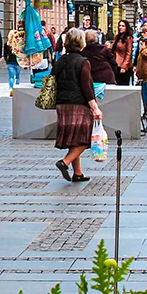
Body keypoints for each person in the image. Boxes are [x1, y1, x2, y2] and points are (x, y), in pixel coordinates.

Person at [52, 30, 102, 183]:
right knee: (86, 138)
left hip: (62, 104)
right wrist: (95, 107)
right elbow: (86, 87)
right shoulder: (83, 62)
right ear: (81, 42)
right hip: (78, 104)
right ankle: (64, 162)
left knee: (74, 139)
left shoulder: (60, 61)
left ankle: (78, 173)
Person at [80, 29, 116, 97]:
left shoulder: (82, 52)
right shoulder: (103, 49)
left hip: (92, 81)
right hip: (108, 78)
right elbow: (113, 63)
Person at [111, 19, 135, 86]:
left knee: (123, 85)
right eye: (120, 25)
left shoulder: (128, 38)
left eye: (123, 26)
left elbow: (129, 53)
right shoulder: (116, 37)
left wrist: (124, 67)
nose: (120, 27)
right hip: (116, 65)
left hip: (123, 65)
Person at [5, 21, 24, 93]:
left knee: (11, 77)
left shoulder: (7, 44)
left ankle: (11, 89)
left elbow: (5, 54)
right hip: (18, 62)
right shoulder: (19, 43)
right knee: (17, 76)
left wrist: (6, 61)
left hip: (10, 62)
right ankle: (17, 88)